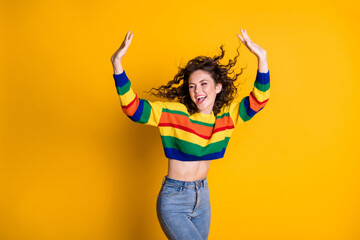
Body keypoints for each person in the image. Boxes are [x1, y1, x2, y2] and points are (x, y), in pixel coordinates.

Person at [110, 29, 270, 240]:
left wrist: (262, 58)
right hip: (174, 200)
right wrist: (117, 64)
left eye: (204, 84)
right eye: (192, 86)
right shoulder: (174, 113)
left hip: (202, 197)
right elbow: (133, 108)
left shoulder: (226, 118)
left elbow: (260, 98)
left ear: (218, 87)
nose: (197, 91)